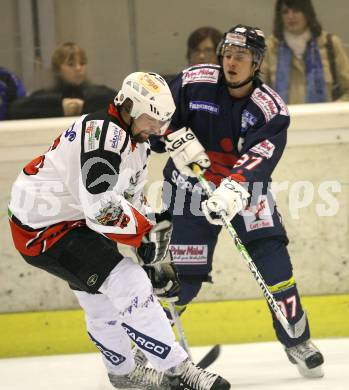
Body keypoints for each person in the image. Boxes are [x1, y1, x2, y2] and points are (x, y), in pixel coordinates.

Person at [8, 71, 230, 390]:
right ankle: (178, 369)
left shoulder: (136, 144)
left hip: (70, 221)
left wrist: (151, 254)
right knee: (128, 282)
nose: (157, 128)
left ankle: (124, 372)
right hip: (42, 230)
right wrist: (145, 239)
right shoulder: (102, 135)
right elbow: (101, 208)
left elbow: (130, 201)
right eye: (151, 119)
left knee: (100, 298)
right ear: (127, 106)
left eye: (162, 120)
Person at [151, 25, 325, 379]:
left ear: (257, 62)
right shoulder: (193, 81)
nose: (231, 62)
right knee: (184, 277)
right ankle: (151, 346)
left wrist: (234, 187)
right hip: (189, 190)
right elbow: (156, 117)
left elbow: (262, 155)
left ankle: (298, 341)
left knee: (274, 266)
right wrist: (169, 138)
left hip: (246, 194)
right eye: (228, 54)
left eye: (241, 57)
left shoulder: (270, 108)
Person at [260, 0, 349, 104]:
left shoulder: (330, 45)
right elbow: (258, 93)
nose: (290, 16)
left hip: (325, 118)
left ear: (307, 13)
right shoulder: (270, 48)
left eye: (296, 11)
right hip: (283, 119)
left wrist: (335, 108)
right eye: (285, 12)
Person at [9, 42, 115, 119]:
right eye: (71, 64)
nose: (78, 68)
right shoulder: (43, 97)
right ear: (58, 69)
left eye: (82, 63)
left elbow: (120, 102)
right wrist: (59, 105)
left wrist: (85, 105)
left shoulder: (99, 94)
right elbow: (14, 110)